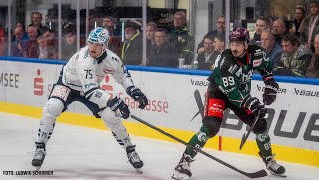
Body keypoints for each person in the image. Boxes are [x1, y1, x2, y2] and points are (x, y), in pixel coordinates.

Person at [172, 27, 286, 180]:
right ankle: (183, 162)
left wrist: (270, 85)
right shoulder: (225, 60)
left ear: (246, 44)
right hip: (218, 93)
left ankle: (269, 160)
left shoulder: (256, 53)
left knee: (260, 125)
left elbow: (266, 69)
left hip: (241, 94)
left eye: (238, 44)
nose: (233, 48)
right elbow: (231, 91)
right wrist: (250, 102)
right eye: (231, 44)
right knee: (211, 126)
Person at [31, 27, 149, 172]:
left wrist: (134, 91)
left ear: (105, 46)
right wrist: (114, 102)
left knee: (112, 117)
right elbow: (91, 91)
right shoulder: (84, 59)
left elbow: (123, 76)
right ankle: (40, 147)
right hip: (68, 85)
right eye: (91, 43)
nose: (92, 47)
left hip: (91, 89)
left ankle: (131, 150)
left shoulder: (112, 59)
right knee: (52, 107)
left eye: (97, 44)